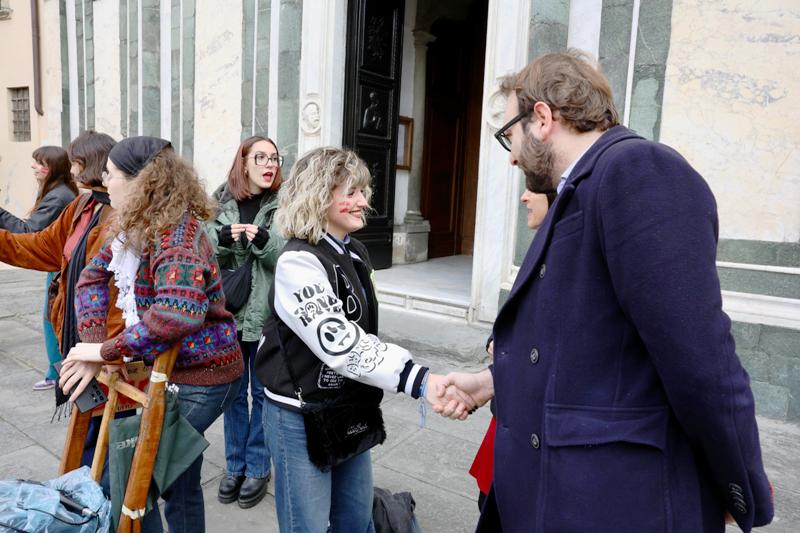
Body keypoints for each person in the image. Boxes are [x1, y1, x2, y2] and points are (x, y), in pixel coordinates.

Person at [443, 49, 774, 532]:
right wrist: (494, 381)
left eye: (507, 136)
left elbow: (702, 360)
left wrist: (737, 483)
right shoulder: (581, 188)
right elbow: (576, 343)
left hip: (612, 501)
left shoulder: (638, 170)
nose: (511, 155)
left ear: (541, 118)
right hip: (554, 497)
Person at [254, 147, 473, 532]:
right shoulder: (298, 261)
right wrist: (419, 380)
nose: (363, 201)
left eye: (363, 191)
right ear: (318, 195)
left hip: (347, 406)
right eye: (351, 192)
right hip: (299, 414)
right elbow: (340, 342)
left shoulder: (354, 250)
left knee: (355, 519)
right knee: (306, 525)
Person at [58, 136, 244, 533]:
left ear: (141, 180)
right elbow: (90, 276)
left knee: (138, 481)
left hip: (205, 376)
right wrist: (92, 344)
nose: (104, 182)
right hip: (171, 370)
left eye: (110, 175)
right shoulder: (135, 227)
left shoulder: (177, 236)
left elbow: (176, 315)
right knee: (177, 478)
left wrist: (104, 352)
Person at [0, 131, 119, 397]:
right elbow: (42, 246)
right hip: (78, 336)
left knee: (109, 429)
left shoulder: (122, 213)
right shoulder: (83, 204)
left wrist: (107, 351)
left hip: (106, 346)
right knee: (89, 424)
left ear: (89, 162)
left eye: (74, 161)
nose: (72, 169)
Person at [207, 136, 285, 508]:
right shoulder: (220, 202)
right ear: (243, 163)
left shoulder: (284, 205)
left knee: (263, 395)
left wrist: (267, 242)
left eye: (274, 158)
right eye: (261, 157)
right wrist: (222, 239)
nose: (269, 164)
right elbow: (201, 248)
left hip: (268, 316)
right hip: (229, 315)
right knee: (233, 396)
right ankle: (234, 466)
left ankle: (257, 466)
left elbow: (291, 253)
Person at [469, 187, 555, 510]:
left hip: (533, 428)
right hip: (508, 417)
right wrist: (497, 341)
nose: (523, 196)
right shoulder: (541, 247)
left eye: (533, 189)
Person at [0, 145, 78, 390]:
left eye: (39, 162)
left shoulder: (59, 196)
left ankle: (58, 373)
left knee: (53, 319)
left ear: (51, 168)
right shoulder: (58, 192)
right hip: (59, 262)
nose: (33, 166)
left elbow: (28, 232)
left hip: (58, 264)